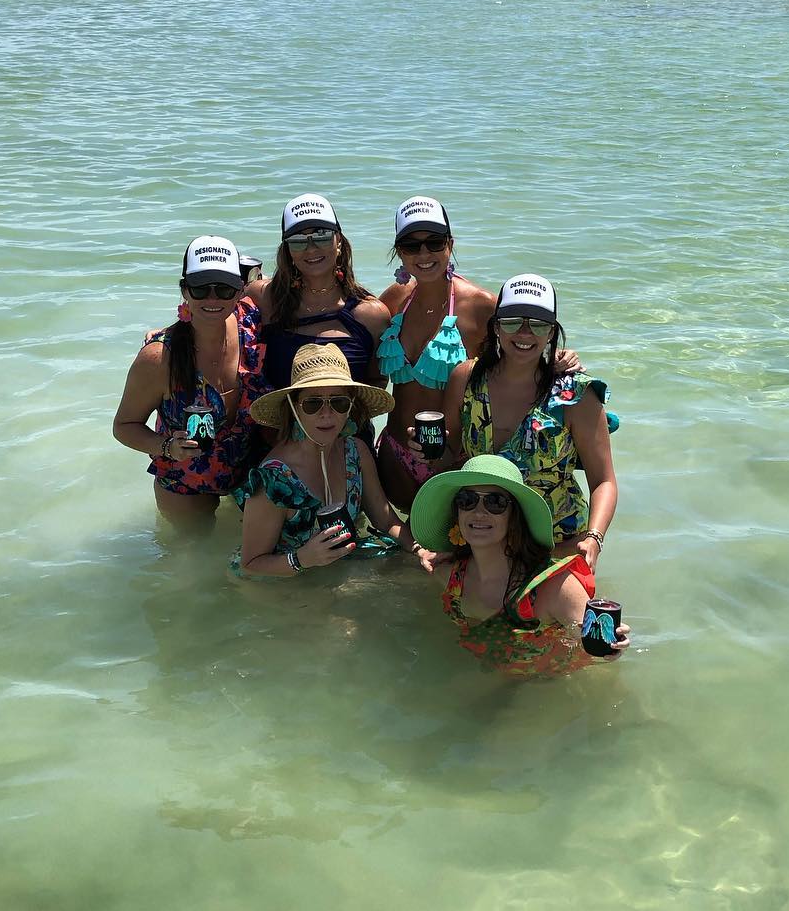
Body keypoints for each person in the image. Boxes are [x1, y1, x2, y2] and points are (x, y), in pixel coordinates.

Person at [443, 275, 617, 574]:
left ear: (551, 332)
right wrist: (427, 452)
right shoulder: (466, 379)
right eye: (512, 322)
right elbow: (448, 458)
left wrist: (593, 538)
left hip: (556, 544)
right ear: (496, 327)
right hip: (480, 539)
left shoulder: (577, 396)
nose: (525, 332)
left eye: (537, 324)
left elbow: (604, 481)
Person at [410, 454, 629, 676]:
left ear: (514, 516)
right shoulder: (448, 577)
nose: (478, 512)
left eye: (495, 502)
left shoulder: (555, 586)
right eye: (467, 500)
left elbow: (597, 646)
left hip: (546, 690)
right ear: (457, 513)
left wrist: (614, 644)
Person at [112, 235, 268, 524]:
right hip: (185, 480)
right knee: (190, 560)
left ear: (239, 291)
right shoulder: (159, 358)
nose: (212, 298)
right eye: (200, 288)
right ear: (185, 290)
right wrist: (167, 447)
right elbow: (123, 426)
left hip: (249, 471)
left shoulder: (253, 320)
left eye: (223, 288)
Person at [236, 344, 406, 575]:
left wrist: (419, 549)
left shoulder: (356, 452)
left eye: (338, 402)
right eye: (313, 403)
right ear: (295, 407)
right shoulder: (273, 480)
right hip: (280, 584)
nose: (326, 414)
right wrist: (302, 559)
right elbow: (250, 565)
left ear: (350, 406)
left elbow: (386, 522)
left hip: (338, 570)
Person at [375, 197, 496, 507]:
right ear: (399, 252)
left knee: (450, 551)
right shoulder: (395, 300)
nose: (424, 253)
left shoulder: (481, 306)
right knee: (400, 551)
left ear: (450, 244)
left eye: (434, 242)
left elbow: (524, 351)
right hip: (394, 454)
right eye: (412, 246)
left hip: (452, 463)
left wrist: (561, 362)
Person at [248, 194, 391, 391]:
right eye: (298, 240)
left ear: (338, 241)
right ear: (288, 250)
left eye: (321, 235)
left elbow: (377, 382)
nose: (311, 248)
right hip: (273, 422)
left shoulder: (371, 315)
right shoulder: (264, 298)